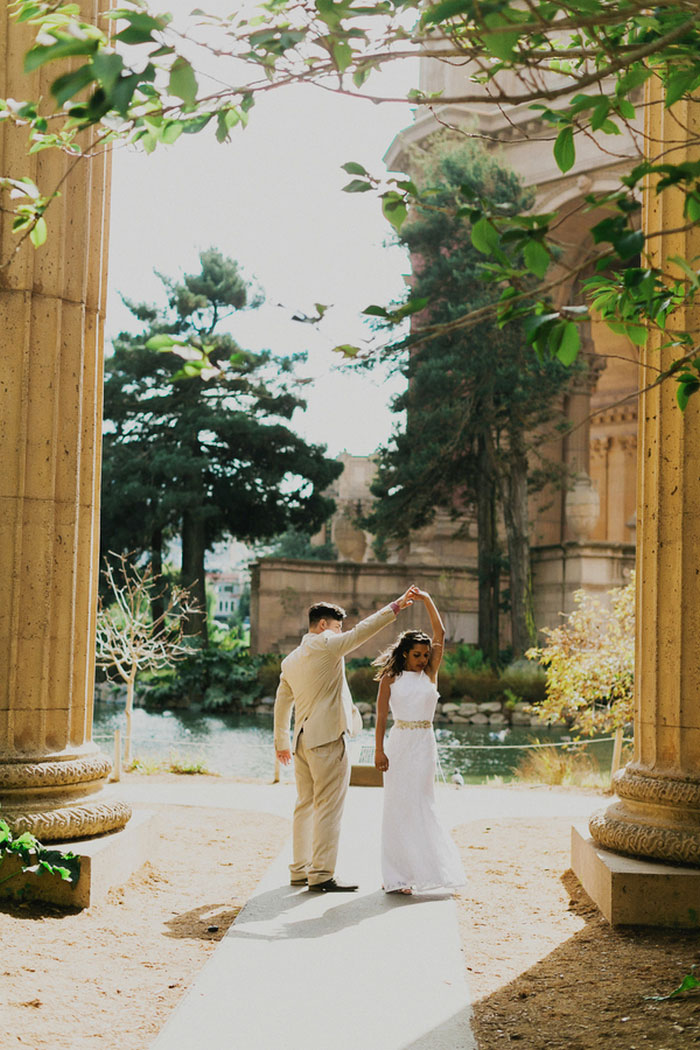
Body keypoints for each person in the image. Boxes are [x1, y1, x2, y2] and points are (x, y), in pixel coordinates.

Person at [274, 586, 419, 893]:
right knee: (328, 808)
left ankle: (299, 870)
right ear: (324, 625)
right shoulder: (327, 644)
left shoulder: (291, 659)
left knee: (305, 806)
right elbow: (361, 632)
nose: (341, 632)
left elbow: (282, 701)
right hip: (327, 740)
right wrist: (395, 606)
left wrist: (282, 743)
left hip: (300, 741)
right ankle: (322, 874)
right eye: (338, 626)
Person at [373, 588, 466, 894]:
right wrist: (378, 750)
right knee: (397, 806)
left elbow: (440, 632)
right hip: (399, 743)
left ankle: (427, 870)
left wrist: (427, 599)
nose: (423, 659)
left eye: (425, 655)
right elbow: (381, 715)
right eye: (417, 655)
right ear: (404, 654)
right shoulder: (391, 678)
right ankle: (397, 876)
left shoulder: (429, 674)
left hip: (424, 743)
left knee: (422, 803)